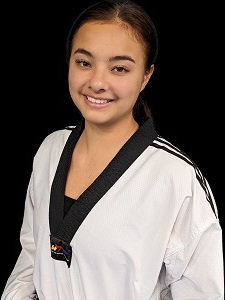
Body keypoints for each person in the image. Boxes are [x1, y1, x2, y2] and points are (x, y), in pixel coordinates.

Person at [1, 0, 224, 299]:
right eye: (84, 62)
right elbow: (31, 257)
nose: (97, 82)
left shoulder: (176, 180)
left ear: (146, 76)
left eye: (119, 68)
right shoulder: (50, 150)